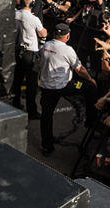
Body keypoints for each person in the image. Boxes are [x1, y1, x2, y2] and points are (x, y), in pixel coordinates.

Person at [38, 23, 97, 155]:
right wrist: (90, 79)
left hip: (47, 87)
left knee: (46, 116)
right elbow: (80, 70)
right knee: (90, 87)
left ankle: (47, 146)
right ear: (67, 36)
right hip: (64, 86)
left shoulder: (46, 45)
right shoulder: (68, 50)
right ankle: (91, 121)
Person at [11, 0, 46, 119]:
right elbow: (43, 33)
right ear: (32, 4)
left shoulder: (16, 14)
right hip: (30, 53)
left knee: (18, 79)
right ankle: (32, 111)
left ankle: (15, 104)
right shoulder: (34, 19)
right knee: (32, 84)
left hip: (18, 50)